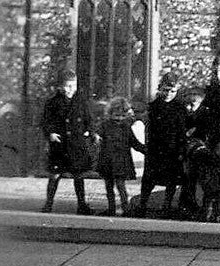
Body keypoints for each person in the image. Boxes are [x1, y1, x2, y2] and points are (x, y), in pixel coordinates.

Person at [41, 71, 96, 214]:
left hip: (76, 145)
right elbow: (45, 121)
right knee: (55, 175)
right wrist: (50, 134)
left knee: (78, 175)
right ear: (60, 87)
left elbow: (89, 120)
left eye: (73, 85)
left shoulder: (81, 102)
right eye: (67, 86)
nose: (70, 89)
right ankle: (48, 204)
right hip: (59, 144)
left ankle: (82, 205)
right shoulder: (52, 102)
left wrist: (89, 131)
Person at [136, 72, 188, 217]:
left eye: (172, 91)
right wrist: (148, 145)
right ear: (160, 89)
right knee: (149, 179)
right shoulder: (154, 106)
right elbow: (149, 128)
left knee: (171, 180)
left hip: (172, 148)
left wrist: (181, 149)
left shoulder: (179, 107)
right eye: (165, 90)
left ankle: (167, 206)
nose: (168, 94)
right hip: (155, 147)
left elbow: (182, 130)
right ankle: (142, 205)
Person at [96, 96, 145, 216]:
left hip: (119, 161)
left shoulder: (125, 127)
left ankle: (125, 208)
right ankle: (112, 208)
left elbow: (134, 143)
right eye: (116, 116)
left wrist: (146, 151)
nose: (119, 119)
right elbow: (97, 135)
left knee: (120, 186)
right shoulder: (105, 125)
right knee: (109, 186)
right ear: (110, 113)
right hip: (109, 160)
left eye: (122, 116)